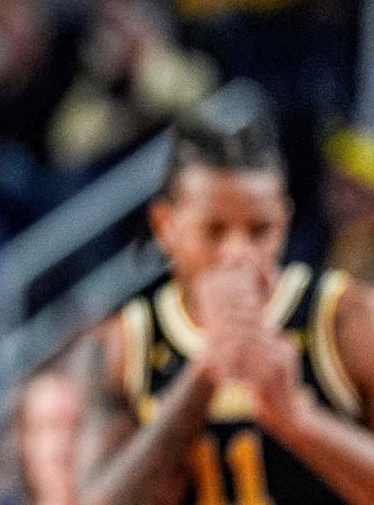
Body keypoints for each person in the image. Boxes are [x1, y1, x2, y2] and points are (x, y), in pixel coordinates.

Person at [73, 96, 374, 505]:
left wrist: (299, 420)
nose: (237, 253)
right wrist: (205, 371)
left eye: (259, 230)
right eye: (214, 231)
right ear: (166, 225)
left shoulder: (346, 318)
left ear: (284, 222)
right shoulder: (124, 344)